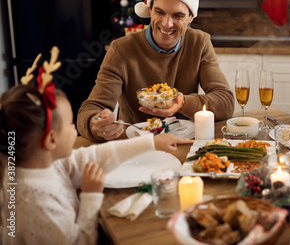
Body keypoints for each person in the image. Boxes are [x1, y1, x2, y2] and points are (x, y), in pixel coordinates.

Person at [0, 76, 192, 244]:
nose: (74, 128)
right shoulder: (37, 203)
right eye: (69, 124)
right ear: (51, 139)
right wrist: (91, 196)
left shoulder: (43, 162)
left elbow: (92, 156)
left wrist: (151, 142)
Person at [77, 0, 235, 142]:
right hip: (137, 147)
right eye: (160, 12)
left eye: (178, 15)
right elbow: (91, 108)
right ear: (150, 10)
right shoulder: (121, 50)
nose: (167, 23)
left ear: (190, 17)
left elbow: (225, 102)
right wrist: (96, 123)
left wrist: (182, 103)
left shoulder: (200, 43)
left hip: (184, 143)